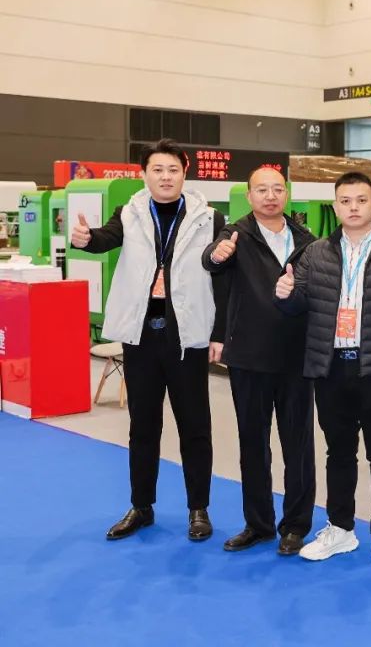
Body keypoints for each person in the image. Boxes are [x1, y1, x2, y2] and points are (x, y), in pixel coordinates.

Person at [71, 138, 225, 542]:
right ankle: (141, 506)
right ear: (144, 174)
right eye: (157, 169)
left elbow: (223, 278)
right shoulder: (130, 212)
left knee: (195, 426)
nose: (165, 177)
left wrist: (220, 333)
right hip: (141, 336)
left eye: (173, 170)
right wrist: (85, 239)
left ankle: (198, 508)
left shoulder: (209, 218)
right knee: (142, 426)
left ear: (185, 173)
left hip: (187, 337)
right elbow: (104, 238)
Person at [274, 172, 371, 567]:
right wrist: (285, 295)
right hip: (331, 368)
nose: (353, 207)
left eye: (361, 200)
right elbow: (299, 304)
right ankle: (340, 528)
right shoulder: (315, 253)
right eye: (345, 201)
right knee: (338, 452)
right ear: (335, 206)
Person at [201, 167, 317, 556]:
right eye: (262, 190)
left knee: (298, 445)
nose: (270, 196)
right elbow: (212, 260)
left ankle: (296, 526)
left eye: (277, 189)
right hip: (249, 356)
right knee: (253, 444)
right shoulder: (235, 234)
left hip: (297, 357)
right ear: (249, 196)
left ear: (287, 194)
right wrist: (216, 254)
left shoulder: (306, 240)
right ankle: (258, 524)